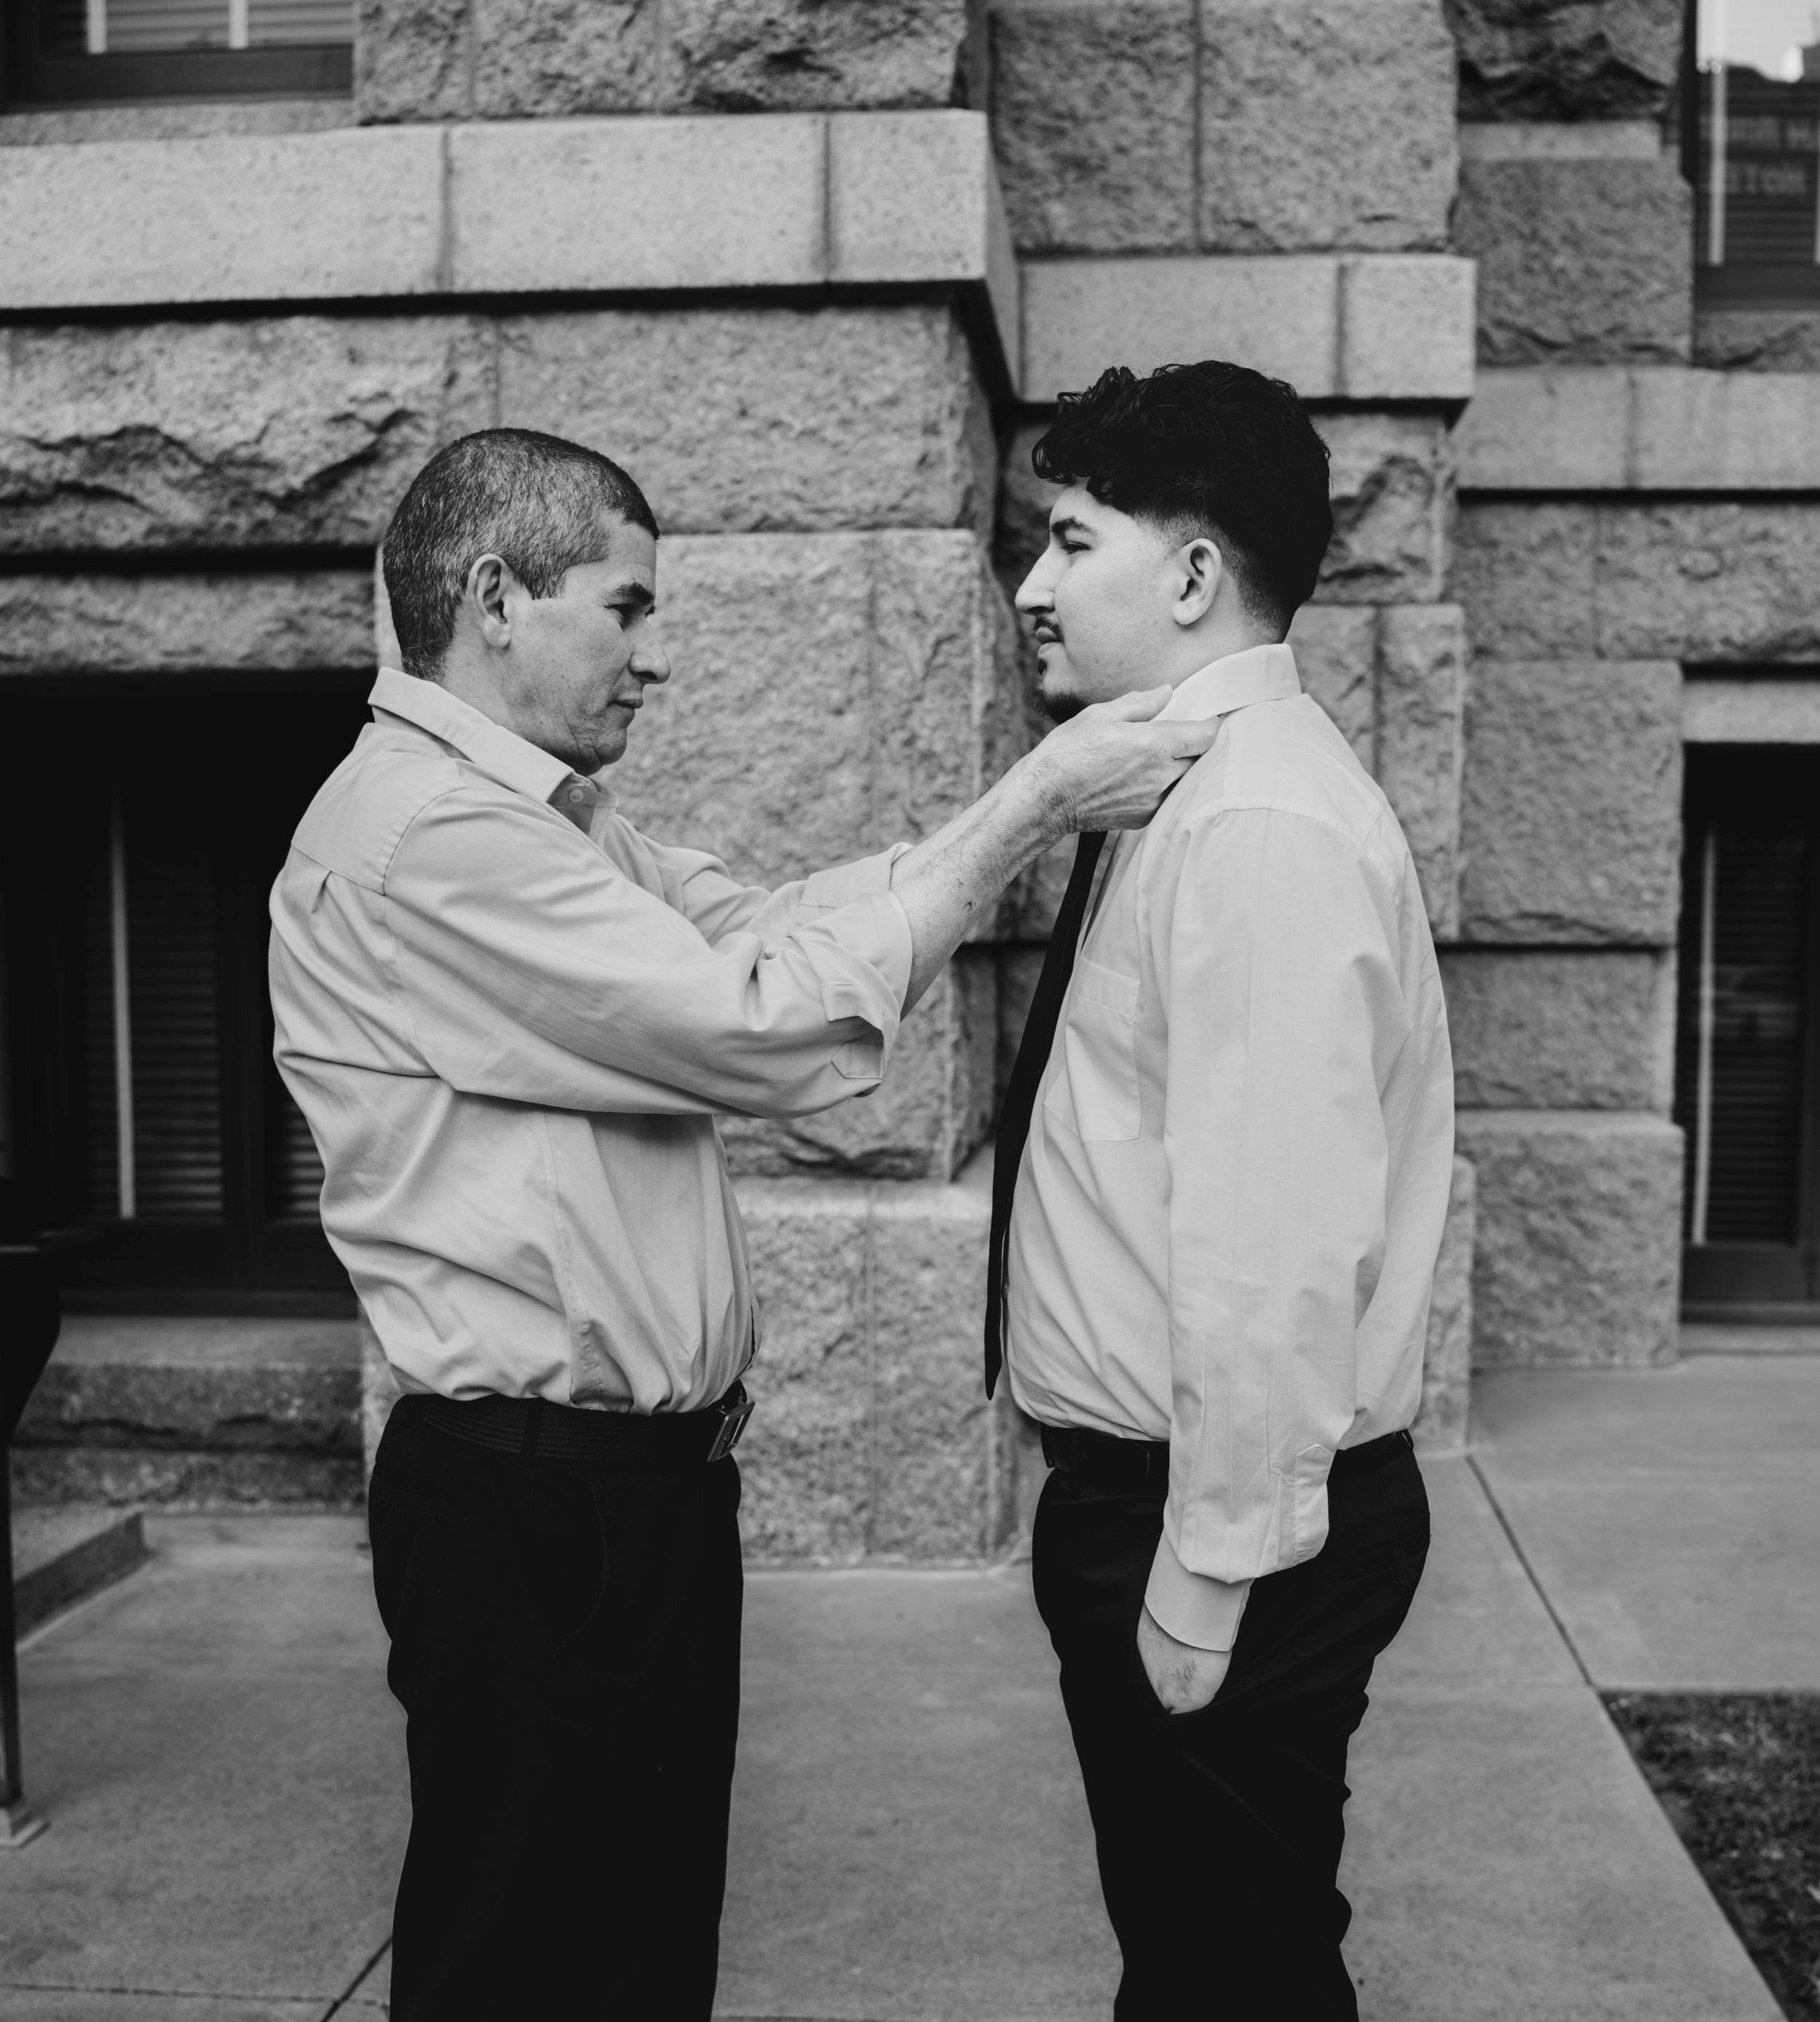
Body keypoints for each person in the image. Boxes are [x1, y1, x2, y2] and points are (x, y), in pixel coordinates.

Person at [268, 426, 1215, 2022]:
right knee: (524, 1965)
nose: (658, 657)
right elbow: (765, 1023)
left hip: (617, 1502)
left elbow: (764, 926)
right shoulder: (431, 835)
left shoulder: (544, 817)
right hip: (530, 1512)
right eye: (626, 610)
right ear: (496, 596)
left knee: (631, 1961)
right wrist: (1042, 801)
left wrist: (997, 816)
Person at [988, 363, 1453, 2019]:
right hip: (1168, 1500)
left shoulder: (1255, 823)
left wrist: (1208, 1566)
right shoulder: (1178, 793)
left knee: (1227, 1976)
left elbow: (1273, 1244)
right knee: (1202, 1959)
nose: (1031, 588)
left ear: (1188, 576)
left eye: (1066, 542)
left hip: (1215, 1519)